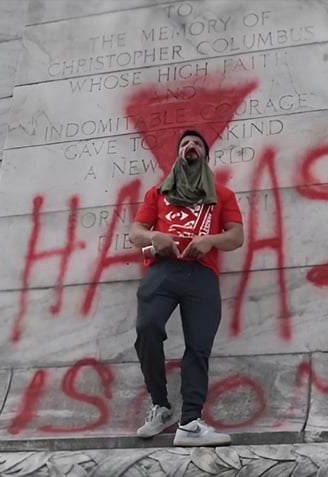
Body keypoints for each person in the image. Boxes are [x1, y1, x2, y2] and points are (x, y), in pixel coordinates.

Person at [129, 130, 244, 446]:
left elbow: (236, 236)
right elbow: (135, 232)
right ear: (178, 155)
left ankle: (190, 422)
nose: (190, 146)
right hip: (162, 272)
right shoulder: (159, 193)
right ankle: (160, 405)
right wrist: (155, 238)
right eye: (184, 144)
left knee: (198, 345)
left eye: (197, 144)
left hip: (202, 275)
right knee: (147, 328)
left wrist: (210, 241)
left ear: (205, 155)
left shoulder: (222, 194)